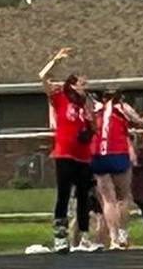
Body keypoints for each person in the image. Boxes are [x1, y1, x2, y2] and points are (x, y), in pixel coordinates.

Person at [37, 47, 99, 251]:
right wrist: (56, 60)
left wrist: (90, 128)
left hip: (83, 156)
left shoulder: (85, 105)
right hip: (65, 153)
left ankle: (84, 238)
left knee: (84, 196)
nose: (85, 87)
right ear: (73, 85)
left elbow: (92, 128)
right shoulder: (60, 98)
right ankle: (60, 237)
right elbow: (43, 77)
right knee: (63, 194)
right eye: (82, 84)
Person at [90, 86, 143, 249]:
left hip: (98, 153)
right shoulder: (122, 107)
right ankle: (122, 233)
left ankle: (113, 237)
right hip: (118, 152)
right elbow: (139, 120)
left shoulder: (94, 109)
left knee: (108, 199)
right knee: (123, 196)